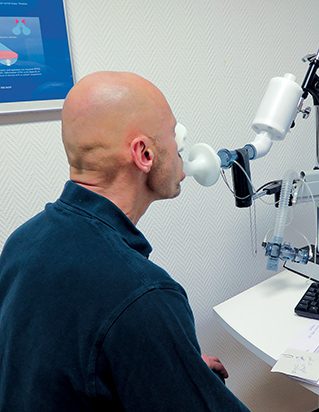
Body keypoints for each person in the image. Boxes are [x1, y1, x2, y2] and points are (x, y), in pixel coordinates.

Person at [0, 72, 249, 411]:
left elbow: (51, 365)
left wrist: (168, 369)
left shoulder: (24, 241)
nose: (180, 148)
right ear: (144, 154)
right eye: (173, 134)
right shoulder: (141, 294)